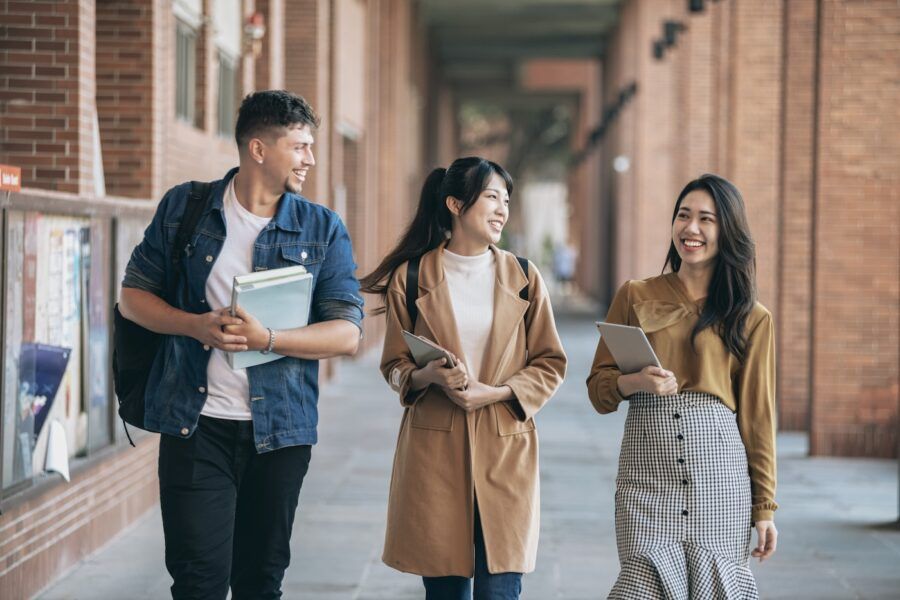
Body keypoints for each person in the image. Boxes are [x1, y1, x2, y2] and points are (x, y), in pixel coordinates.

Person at [118, 90, 364, 599]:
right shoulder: (185, 208)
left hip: (280, 435)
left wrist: (267, 338)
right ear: (258, 149)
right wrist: (196, 326)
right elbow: (132, 298)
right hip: (196, 427)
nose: (310, 159)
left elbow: (347, 332)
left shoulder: (321, 228)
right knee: (197, 583)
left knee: (259, 583)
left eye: (311, 147)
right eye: (299, 147)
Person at [360, 157, 567, 600]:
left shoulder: (525, 277)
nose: (501, 210)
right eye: (492, 197)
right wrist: (426, 375)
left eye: (506, 200)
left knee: (501, 590)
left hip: (504, 446)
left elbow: (551, 362)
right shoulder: (412, 278)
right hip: (435, 455)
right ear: (455, 204)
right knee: (446, 593)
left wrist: (498, 392)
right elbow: (394, 366)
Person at [586, 174, 778, 599]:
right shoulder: (635, 295)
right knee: (640, 582)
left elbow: (758, 418)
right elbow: (598, 389)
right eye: (683, 216)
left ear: (727, 231)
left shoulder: (752, 317)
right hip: (646, 476)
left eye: (706, 219)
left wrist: (763, 508)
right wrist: (633, 382)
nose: (691, 229)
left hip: (720, 481)